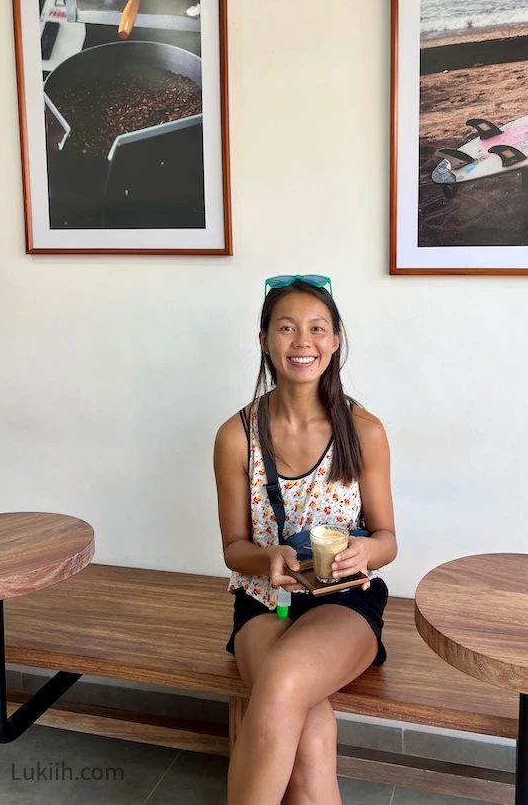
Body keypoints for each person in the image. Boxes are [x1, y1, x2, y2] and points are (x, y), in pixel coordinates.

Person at [214, 274, 397, 805]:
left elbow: (387, 538)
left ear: (335, 340)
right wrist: (266, 556)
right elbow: (233, 549)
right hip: (265, 605)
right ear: (265, 340)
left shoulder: (364, 430)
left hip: (346, 604)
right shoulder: (236, 436)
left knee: (281, 684)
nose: (303, 341)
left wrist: (367, 550)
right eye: (287, 327)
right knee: (310, 734)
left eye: (318, 328)